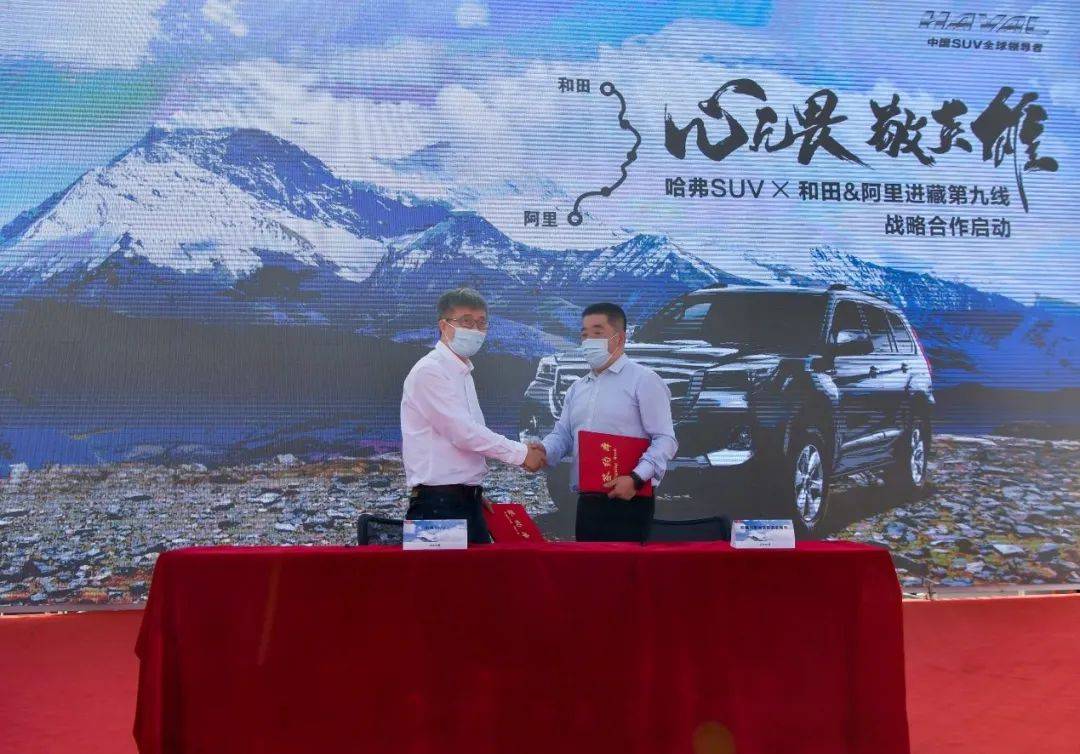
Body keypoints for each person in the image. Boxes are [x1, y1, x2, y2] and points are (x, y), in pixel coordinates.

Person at [401, 287, 547, 543]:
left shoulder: (463, 372)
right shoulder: (430, 371)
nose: (475, 330)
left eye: (481, 323)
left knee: (480, 570)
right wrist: (522, 454)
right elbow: (464, 433)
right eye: (466, 321)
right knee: (442, 572)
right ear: (444, 326)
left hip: (466, 501)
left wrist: (470, 493)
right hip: (437, 506)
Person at [536, 303, 678, 542]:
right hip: (588, 500)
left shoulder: (644, 380)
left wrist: (636, 478)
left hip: (630, 498)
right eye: (584, 334)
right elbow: (562, 435)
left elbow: (665, 439)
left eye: (597, 333)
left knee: (625, 565)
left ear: (619, 338)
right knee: (589, 564)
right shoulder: (577, 388)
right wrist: (542, 451)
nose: (588, 341)